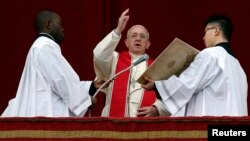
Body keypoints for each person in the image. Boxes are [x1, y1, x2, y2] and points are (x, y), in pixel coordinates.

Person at [1, 10, 107, 117]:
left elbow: (62, 83)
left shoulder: (40, 46)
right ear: (48, 24)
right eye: (60, 24)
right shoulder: (44, 47)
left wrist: (92, 86)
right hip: (45, 114)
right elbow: (61, 80)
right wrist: (85, 101)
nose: (62, 28)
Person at [141, 15, 248, 116]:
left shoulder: (210, 54)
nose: (203, 37)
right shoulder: (239, 69)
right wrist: (159, 109)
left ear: (216, 31)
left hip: (211, 124)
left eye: (205, 32)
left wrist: (156, 86)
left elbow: (187, 83)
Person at [93, 9, 169, 117]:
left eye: (142, 37)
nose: (138, 39)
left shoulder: (157, 67)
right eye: (134, 36)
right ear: (126, 43)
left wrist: (157, 109)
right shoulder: (114, 59)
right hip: (114, 125)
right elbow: (99, 56)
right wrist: (118, 30)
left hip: (145, 127)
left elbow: (170, 95)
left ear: (148, 44)